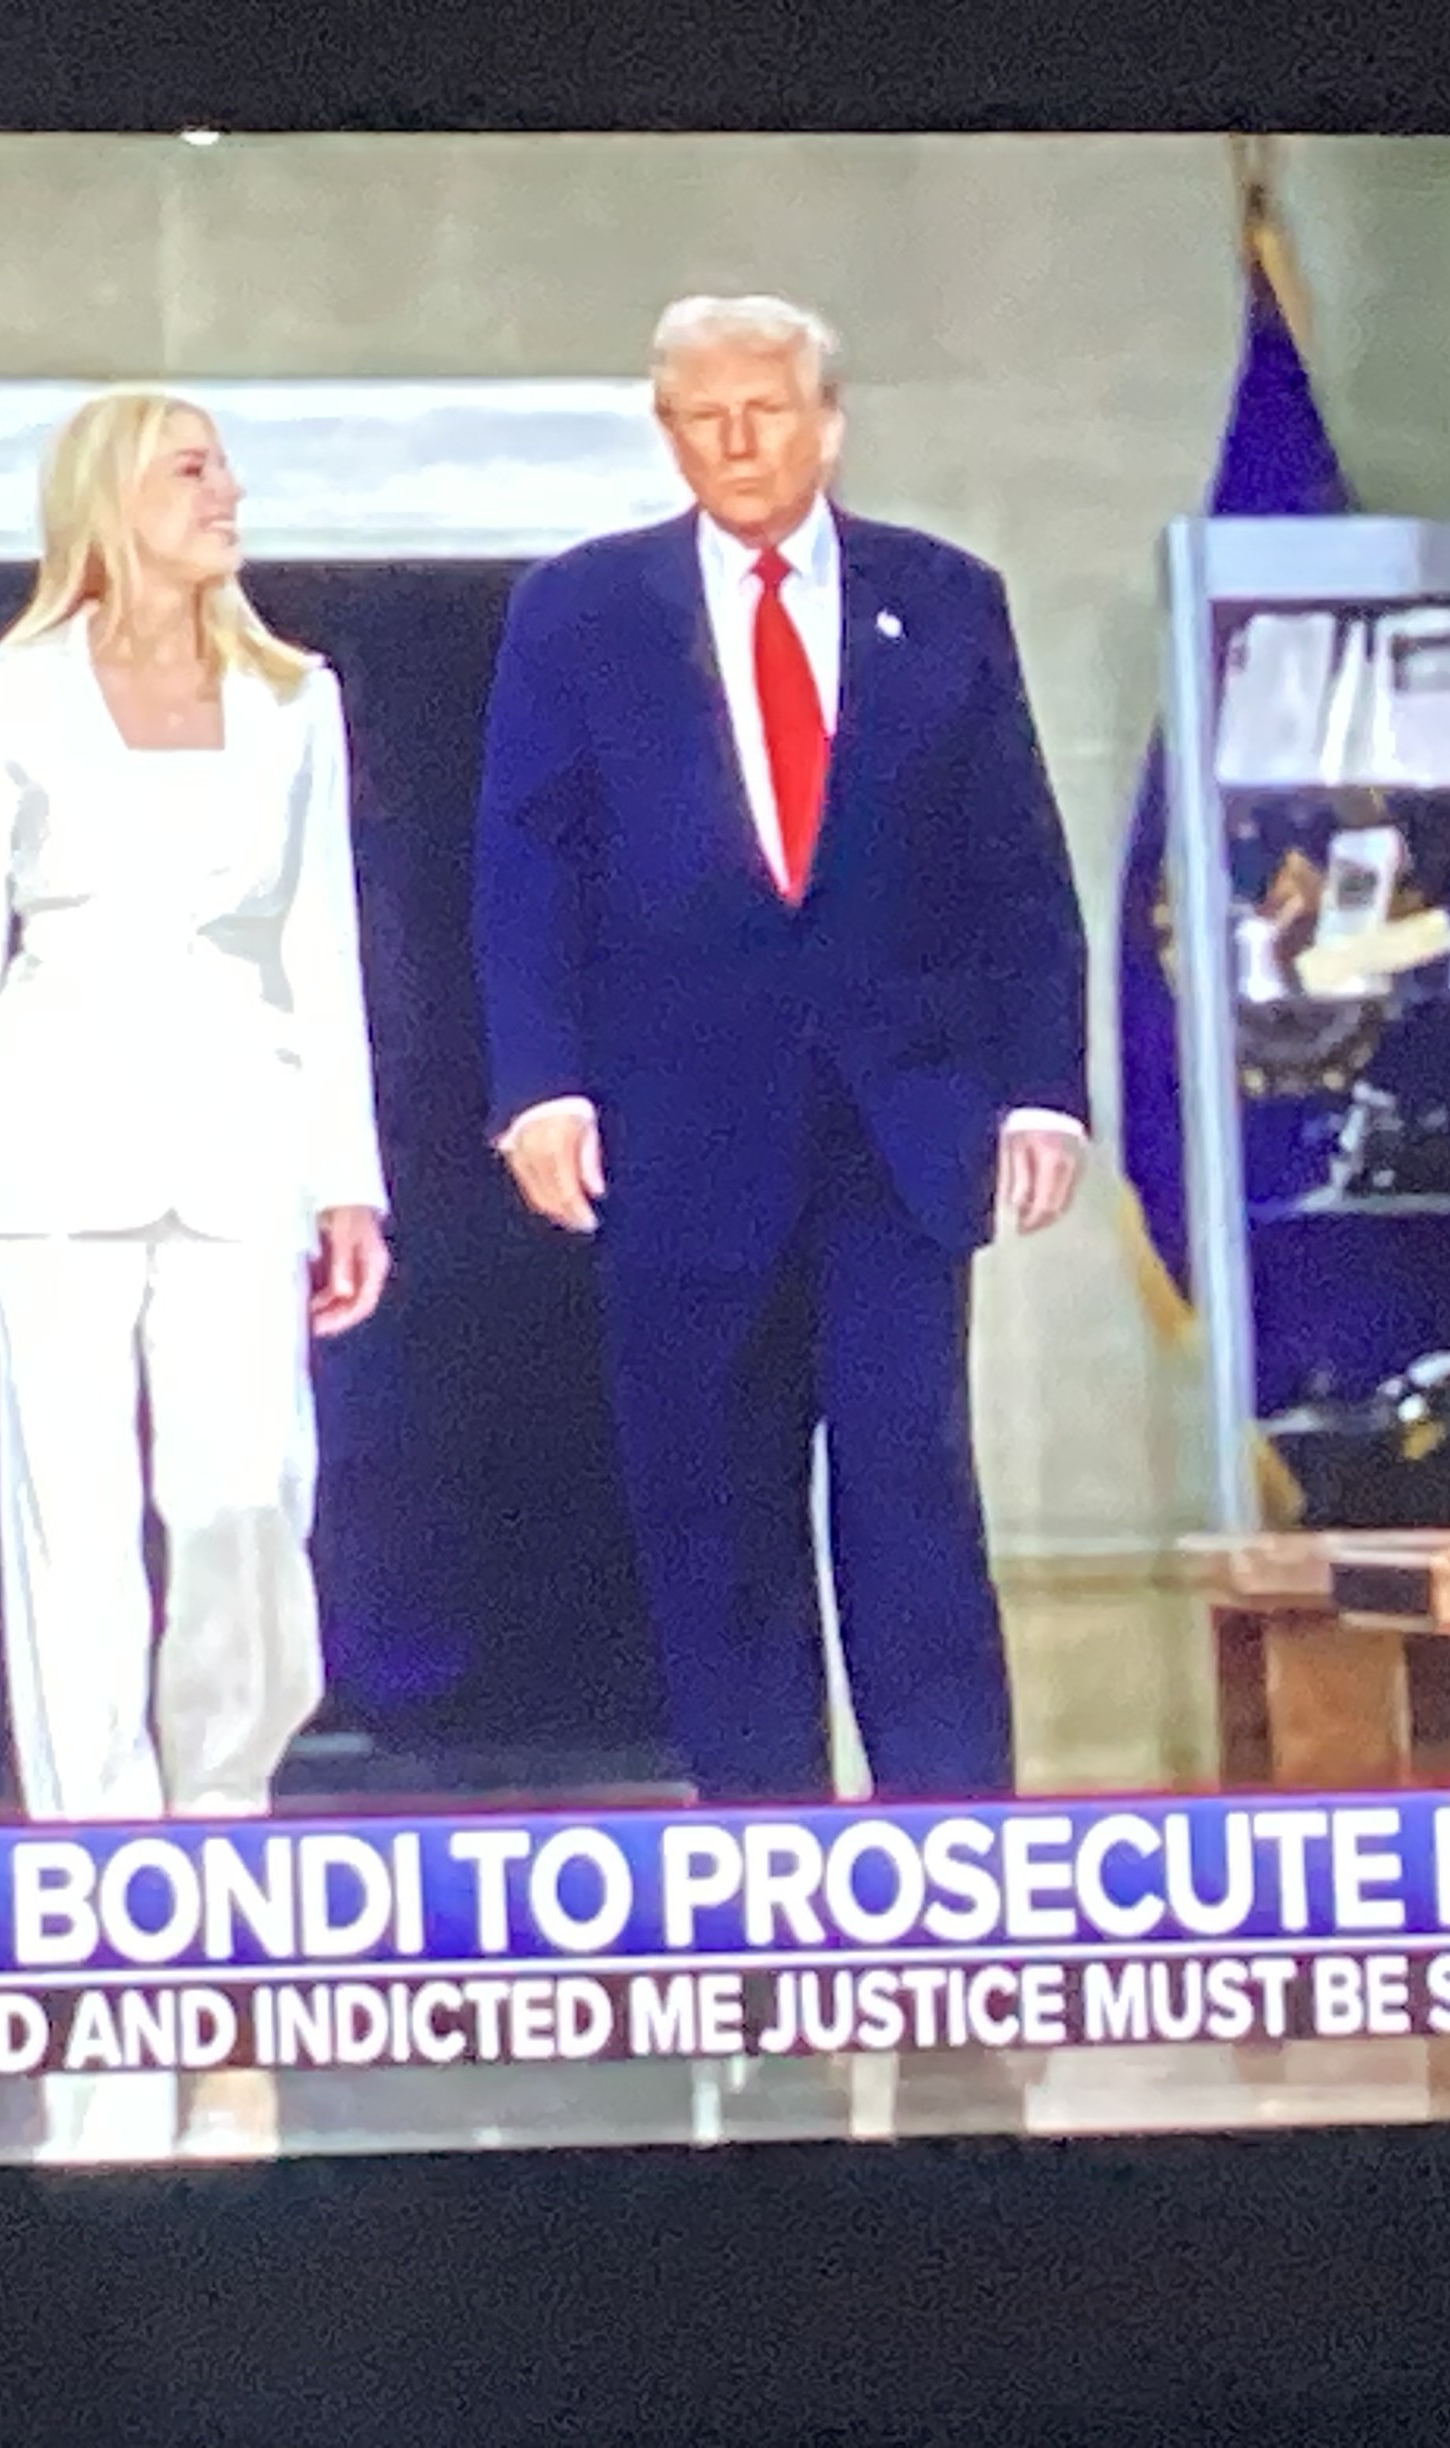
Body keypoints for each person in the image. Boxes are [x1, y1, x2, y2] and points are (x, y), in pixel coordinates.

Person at [472, 294, 1091, 1808]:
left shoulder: (942, 597)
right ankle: (764, 1841)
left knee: (910, 1487)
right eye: (703, 417)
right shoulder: (580, 612)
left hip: (898, 1123)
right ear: (667, 431)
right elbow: (527, 867)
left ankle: (956, 1840)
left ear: (829, 421)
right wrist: (539, 1086)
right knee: (714, 1504)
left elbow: (1016, 861)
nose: (737, 443)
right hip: (676, 1130)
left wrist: (1043, 1090)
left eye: (765, 410)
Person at [0, 387, 392, 1831]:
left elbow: (322, 943)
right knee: (72, 1509)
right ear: (113, 499)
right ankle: (94, 1831)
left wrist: (348, 1179)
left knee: (246, 1496)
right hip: (47, 1137)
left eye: (225, 470)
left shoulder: (294, 698)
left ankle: (222, 1804)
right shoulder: (3, 692)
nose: (228, 494)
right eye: (192, 471)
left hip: (244, 1134)